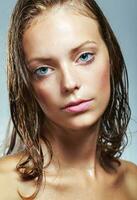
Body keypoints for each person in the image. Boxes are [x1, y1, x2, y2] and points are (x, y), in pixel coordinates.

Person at [0, 0, 137, 199]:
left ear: (112, 56)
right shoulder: (4, 185)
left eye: (84, 57)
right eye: (43, 70)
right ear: (28, 85)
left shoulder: (132, 182)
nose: (69, 83)